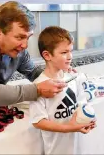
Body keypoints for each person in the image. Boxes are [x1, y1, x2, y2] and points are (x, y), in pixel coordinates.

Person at [29, 26, 96, 155]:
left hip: (77, 146)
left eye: (70, 51)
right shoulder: (39, 86)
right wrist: (67, 128)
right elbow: (38, 121)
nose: (70, 56)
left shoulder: (73, 77)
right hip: (56, 149)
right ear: (47, 55)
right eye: (64, 52)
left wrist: (88, 119)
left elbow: (81, 105)